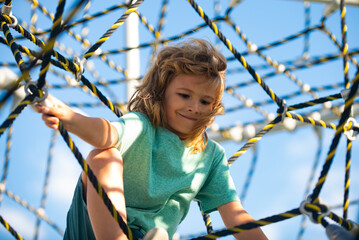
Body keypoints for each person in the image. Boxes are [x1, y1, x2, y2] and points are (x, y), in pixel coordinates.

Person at [35, 39, 268, 240]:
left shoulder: (211, 157)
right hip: (90, 231)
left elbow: (236, 215)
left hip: (149, 235)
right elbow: (105, 133)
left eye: (205, 102)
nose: (195, 107)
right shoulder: (143, 127)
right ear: (161, 92)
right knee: (104, 155)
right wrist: (68, 117)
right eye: (184, 95)